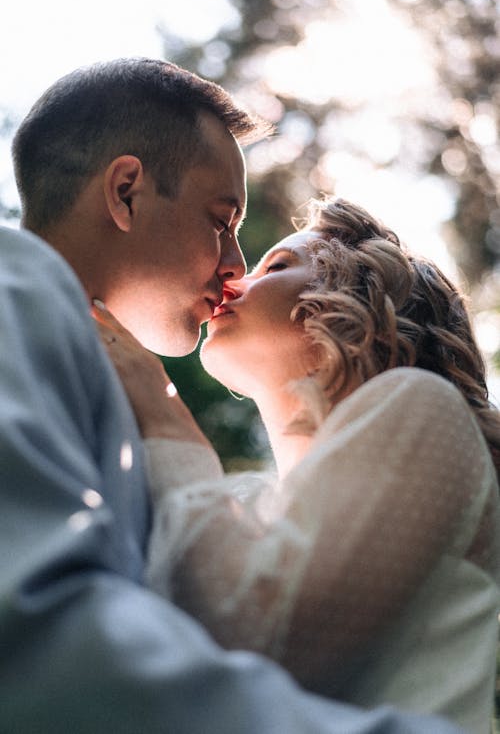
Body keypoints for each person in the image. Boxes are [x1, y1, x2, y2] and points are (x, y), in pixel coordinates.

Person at [0, 58, 462, 733]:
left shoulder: (96, 380)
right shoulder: (17, 298)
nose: (235, 268)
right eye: (223, 220)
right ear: (126, 191)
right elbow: (42, 646)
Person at [94, 197, 500, 734]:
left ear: (356, 298)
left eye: (277, 266)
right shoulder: (248, 507)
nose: (233, 280)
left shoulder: (428, 407)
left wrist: (160, 409)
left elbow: (254, 647)